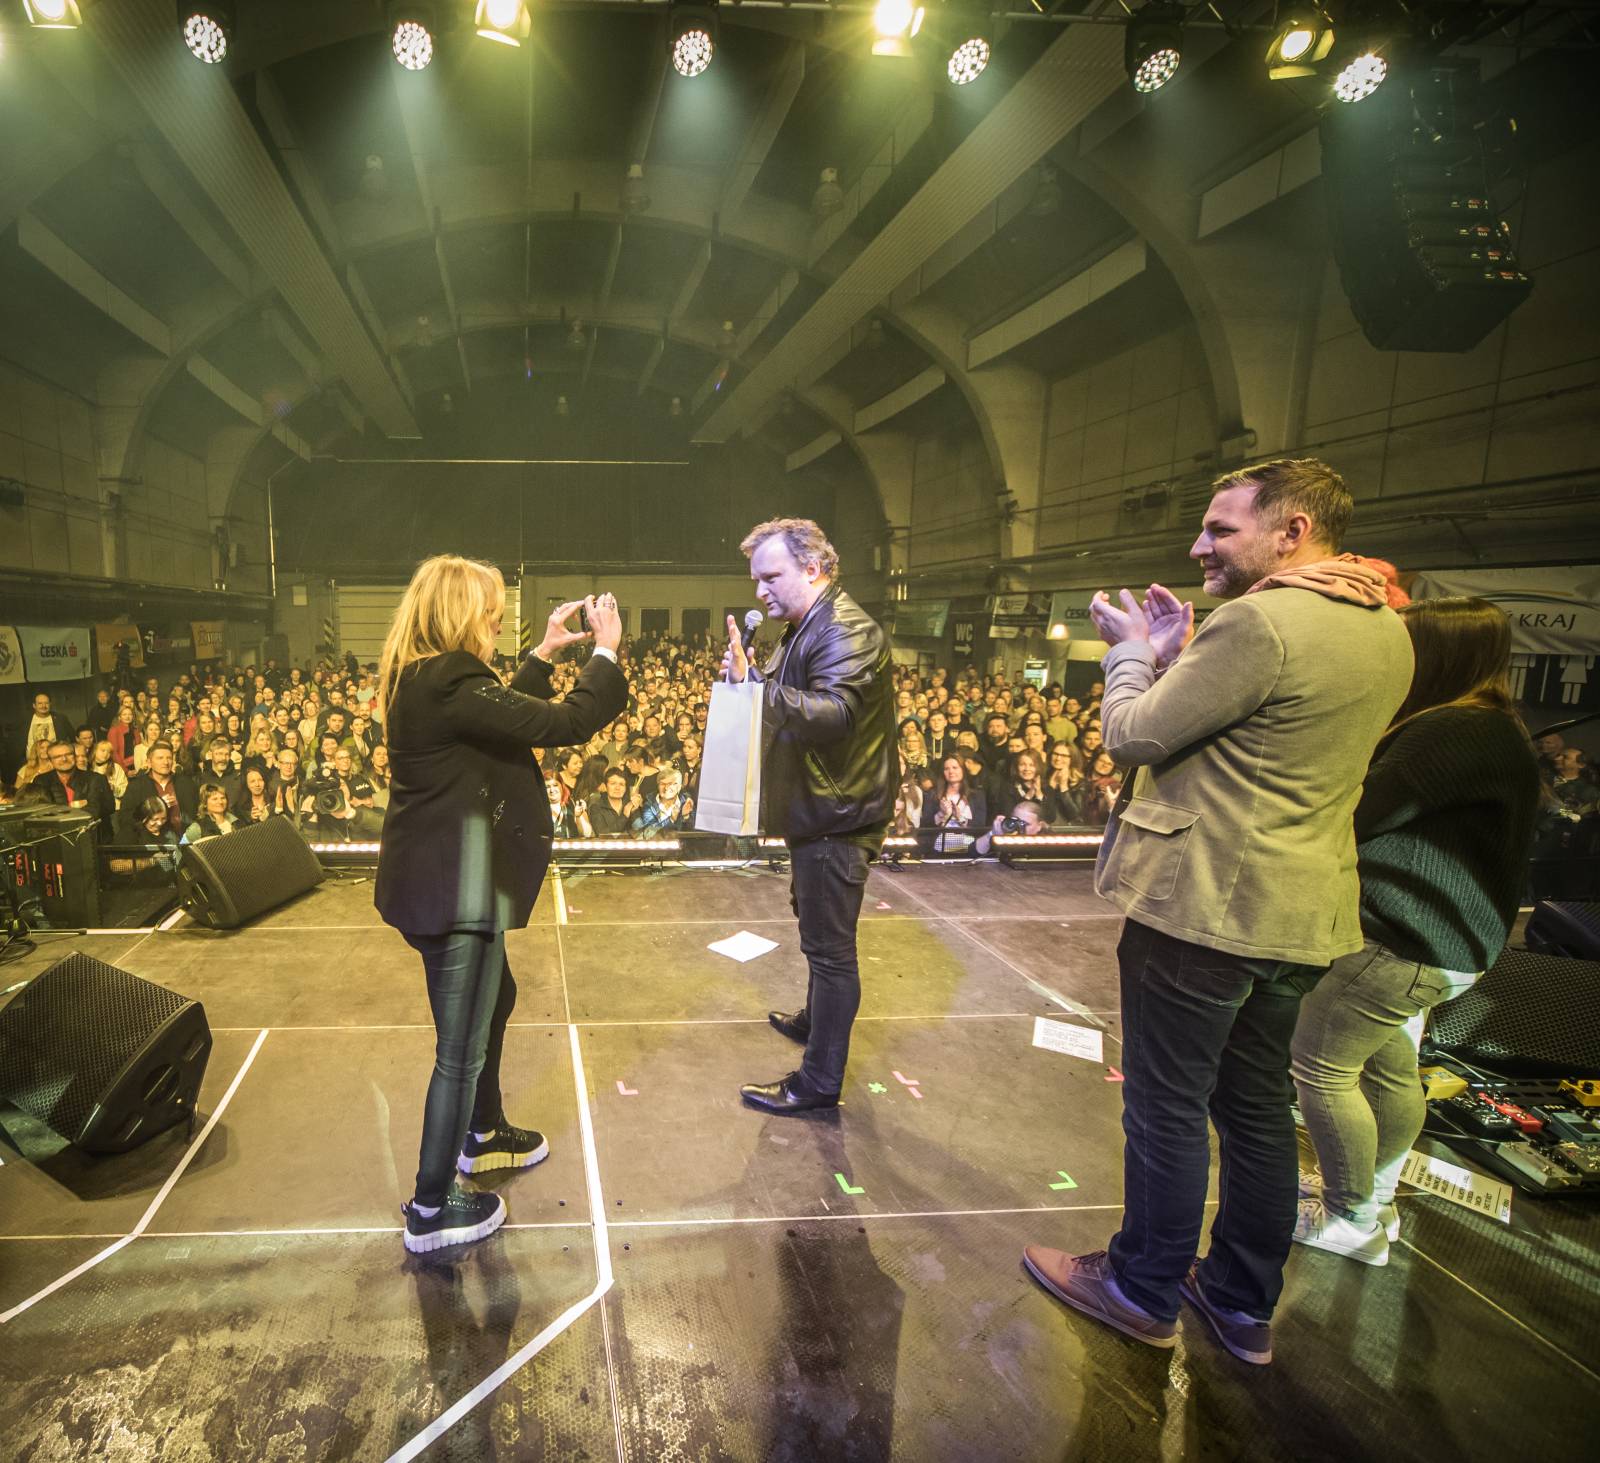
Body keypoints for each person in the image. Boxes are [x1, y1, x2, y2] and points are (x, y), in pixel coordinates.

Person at [1021, 457, 1413, 1367]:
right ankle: (1239, 1300)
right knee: (1257, 1110)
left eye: (1221, 528)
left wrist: (1128, 655)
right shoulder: (1385, 624)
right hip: (1300, 912)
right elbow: (1263, 742)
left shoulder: (1262, 619)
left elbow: (1134, 733)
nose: (1199, 542)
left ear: (1294, 532)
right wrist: (1180, 657)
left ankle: (1141, 1284)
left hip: (1203, 909)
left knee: (1164, 1106)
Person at [374, 558, 625, 1254]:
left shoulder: (427, 675)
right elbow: (563, 723)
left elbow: (498, 719)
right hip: (457, 891)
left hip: (441, 879)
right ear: (458, 613)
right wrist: (605, 650)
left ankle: (484, 1134)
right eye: (490, 611)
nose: (497, 622)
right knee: (459, 1049)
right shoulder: (451, 676)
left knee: (500, 995)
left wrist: (543, 654)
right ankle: (431, 1206)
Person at [1290, 598, 1542, 1265]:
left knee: (1321, 1066)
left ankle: (1350, 1216)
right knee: (1390, 1069)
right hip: (1449, 950)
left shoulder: (1449, 732)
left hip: (1398, 945)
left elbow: (1360, 812)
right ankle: (1375, 1200)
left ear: (1430, 655)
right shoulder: (1494, 727)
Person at [722, 517, 895, 1114]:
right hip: (819, 808)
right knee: (816, 933)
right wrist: (751, 680)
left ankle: (818, 1082)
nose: (760, 591)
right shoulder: (804, 626)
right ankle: (814, 1020)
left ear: (814, 568)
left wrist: (757, 692)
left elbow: (836, 713)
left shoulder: (848, 629)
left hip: (838, 815)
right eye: (757, 580)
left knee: (831, 950)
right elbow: (788, 690)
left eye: (771, 576)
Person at [120, 740, 199, 840]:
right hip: (152, 841)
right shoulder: (136, 786)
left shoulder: (186, 783)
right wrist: (157, 805)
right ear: (149, 762)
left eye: (169, 758)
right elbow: (125, 818)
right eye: (160, 758)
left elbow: (197, 813)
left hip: (186, 839)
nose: (166, 762)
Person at [38, 740, 116, 839]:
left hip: (92, 838)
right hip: (56, 839)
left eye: (68, 754)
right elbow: (41, 814)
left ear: (74, 756)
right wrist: (74, 806)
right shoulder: (42, 781)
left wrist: (62, 809)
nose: (64, 759)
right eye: (57, 757)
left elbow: (102, 809)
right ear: (50, 761)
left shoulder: (95, 779)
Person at [922, 753, 984, 854]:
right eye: (946, 769)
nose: (951, 771)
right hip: (938, 848)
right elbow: (925, 825)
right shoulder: (932, 795)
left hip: (969, 849)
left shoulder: (977, 796)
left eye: (955, 767)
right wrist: (942, 814)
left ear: (963, 770)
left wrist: (960, 818)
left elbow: (980, 825)